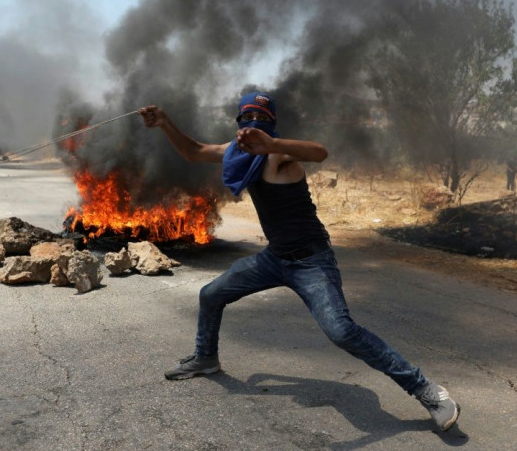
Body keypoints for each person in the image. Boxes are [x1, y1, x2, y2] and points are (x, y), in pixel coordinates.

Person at [138, 92, 460, 432]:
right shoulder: (236, 153)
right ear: (238, 124)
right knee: (211, 294)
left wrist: (269, 144)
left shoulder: (278, 156)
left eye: (261, 120)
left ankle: (428, 391)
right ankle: (206, 358)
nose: (252, 126)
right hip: (275, 258)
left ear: (271, 126)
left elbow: (319, 152)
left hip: (311, 261)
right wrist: (165, 123)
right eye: (247, 119)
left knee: (341, 331)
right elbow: (193, 151)